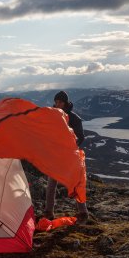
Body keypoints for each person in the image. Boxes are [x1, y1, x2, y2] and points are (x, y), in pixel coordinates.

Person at [44, 90, 89, 224]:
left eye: (60, 102)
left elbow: (81, 137)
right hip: (56, 157)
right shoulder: (53, 116)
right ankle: (49, 212)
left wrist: (69, 147)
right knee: (51, 185)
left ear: (65, 103)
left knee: (75, 184)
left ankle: (83, 212)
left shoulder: (74, 118)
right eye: (56, 102)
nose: (58, 104)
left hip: (70, 157)